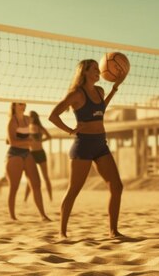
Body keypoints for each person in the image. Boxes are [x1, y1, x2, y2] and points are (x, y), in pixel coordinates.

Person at [49, 59, 125, 239]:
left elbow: (101, 108)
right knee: (74, 190)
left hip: (100, 144)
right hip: (83, 146)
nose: (99, 72)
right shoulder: (76, 94)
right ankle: (62, 232)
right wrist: (70, 130)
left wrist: (115, 88)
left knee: (117, 186)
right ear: (84, 72)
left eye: (99, 69)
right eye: (95, 69)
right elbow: (53, 116)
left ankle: (113, 231)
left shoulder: (99, 91)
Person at [5, 102, 51, 221]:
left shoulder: (27, 119)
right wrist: (29, 142)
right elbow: (12, 142)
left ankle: (43, 215)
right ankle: (12, 216)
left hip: (27, 153)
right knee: (14, 187)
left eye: (24, 104)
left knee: (36, 184)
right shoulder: (12, 121)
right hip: (14, 154)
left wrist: (33, 140)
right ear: (14, 106)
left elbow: (35, 131)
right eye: (20, 104)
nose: (23, 105)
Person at [24, 110, 53, 202]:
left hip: (40, 153)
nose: (29, 118)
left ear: (34, 117)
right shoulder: (26, 128)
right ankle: (25, 199)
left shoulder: (40, 128)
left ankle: (50, 198)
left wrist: (40, 141)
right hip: (31, 154)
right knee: (31, 178)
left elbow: (49, 136)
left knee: (46, 177)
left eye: (30, 116)